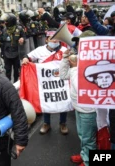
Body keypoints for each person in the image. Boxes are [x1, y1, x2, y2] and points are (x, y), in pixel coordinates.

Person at [59, 32, 97, 166]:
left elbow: (80, 86)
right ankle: (84, 155)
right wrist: (65, 59)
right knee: (82, 135)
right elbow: (63, 76)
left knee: (88, 138)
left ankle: (88, 161)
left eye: (81, 43)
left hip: (89, 108)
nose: (78, 46)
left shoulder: (95, 63)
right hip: (78, 105)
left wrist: (74, 67)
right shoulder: (80, 59)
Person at [22, 29, 68, 134]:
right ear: (47, 40)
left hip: (61, 82)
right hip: (46, 83)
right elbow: (28, 57)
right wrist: (25, 60)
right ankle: (46, 123)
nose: (55, 41)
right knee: (47, 101)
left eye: (57, 39)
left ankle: (63, 123)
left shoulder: (65, 50)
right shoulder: (39, 50)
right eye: (53, 39)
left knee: (63, 101)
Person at [0, 13, 25, 82]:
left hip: (16, 52)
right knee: (7, 70)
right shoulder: (4, 30)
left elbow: (24, 36)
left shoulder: (19, 29)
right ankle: (8, 83)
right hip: (6, 53)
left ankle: (16, 82)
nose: (5, 23)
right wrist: (1, 51)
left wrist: (22, 38)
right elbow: (2, 42)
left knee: (16, 70)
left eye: (6, 21)